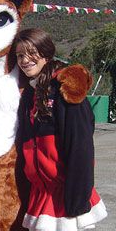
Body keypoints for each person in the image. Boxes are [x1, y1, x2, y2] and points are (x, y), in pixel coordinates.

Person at [13, 28, 107, 231]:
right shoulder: (30, 94)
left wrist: (77, 200)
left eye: (31, 53)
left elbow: (80, 148)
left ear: (45, 53)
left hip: (67, 195)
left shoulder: (65, 89)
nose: (25, 60)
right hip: (42, 194)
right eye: (20, 55)